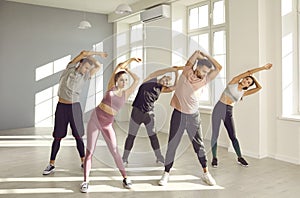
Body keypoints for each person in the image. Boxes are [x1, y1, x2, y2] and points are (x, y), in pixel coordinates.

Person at [158, 50, 222, 186]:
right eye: (204, 70)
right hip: (179, 114)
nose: (205, 74)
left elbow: (219, 68)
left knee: (199, 146)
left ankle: (206, 173)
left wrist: (209, 57)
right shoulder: (186, 72)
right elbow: (193, 56)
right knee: (172, 145)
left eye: (207, 72)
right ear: (197, 67)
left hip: (193, 116)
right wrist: (199, 54)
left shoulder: (205, 80)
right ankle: (166, 173)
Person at [80, 57, 141, 193]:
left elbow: (137, 79)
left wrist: (128, 70)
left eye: (125, 80)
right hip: (95, 120)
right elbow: (118, 66)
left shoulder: (126, 93)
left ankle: (125, 178)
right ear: (116, 81)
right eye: (121, 80)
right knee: (89, 152)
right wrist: (129, 60)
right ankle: (85, 181)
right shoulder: (110, 88)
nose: (124, 82)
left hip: (108, 124)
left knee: (115, 151)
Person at [42, 50, 107, 175]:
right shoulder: (69, 69)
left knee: (78, 136)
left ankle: (83, 161)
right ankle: (51, 164)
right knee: (57, 137)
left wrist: (93, 58)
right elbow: (83, 53)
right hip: (61, 107)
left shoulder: (85, 76)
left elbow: (98, 66)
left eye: (88, 69)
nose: (86, 70)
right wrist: (95, 53)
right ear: (80, 64)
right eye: (85, 67)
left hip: (74, 108)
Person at [210, 63, 273, 168]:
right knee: (215, 135)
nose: (246, 81)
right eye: (246, 79)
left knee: (233, 136)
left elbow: (259, 87)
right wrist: (262, 68)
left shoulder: (244, 93)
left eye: (248, 82)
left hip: (228, 111)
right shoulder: (233, 82)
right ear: (242, 79)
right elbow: (248, 72)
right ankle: (214, 158)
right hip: (218, 108)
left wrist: (253, 79)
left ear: (248, 86)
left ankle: (240, 157)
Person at [122, 66, 181, 165]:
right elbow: (157, 71)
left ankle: (159, 157)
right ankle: (124, 158)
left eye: (167, 83)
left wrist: (177, 73)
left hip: (149, 115)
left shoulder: (161, 89)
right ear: (163, 77)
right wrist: (171, 69)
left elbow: (175, 87)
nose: (166, 83)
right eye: (166, 80)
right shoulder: (150, 79)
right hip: (136, 112)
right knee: (131, 136)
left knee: (153, 137)